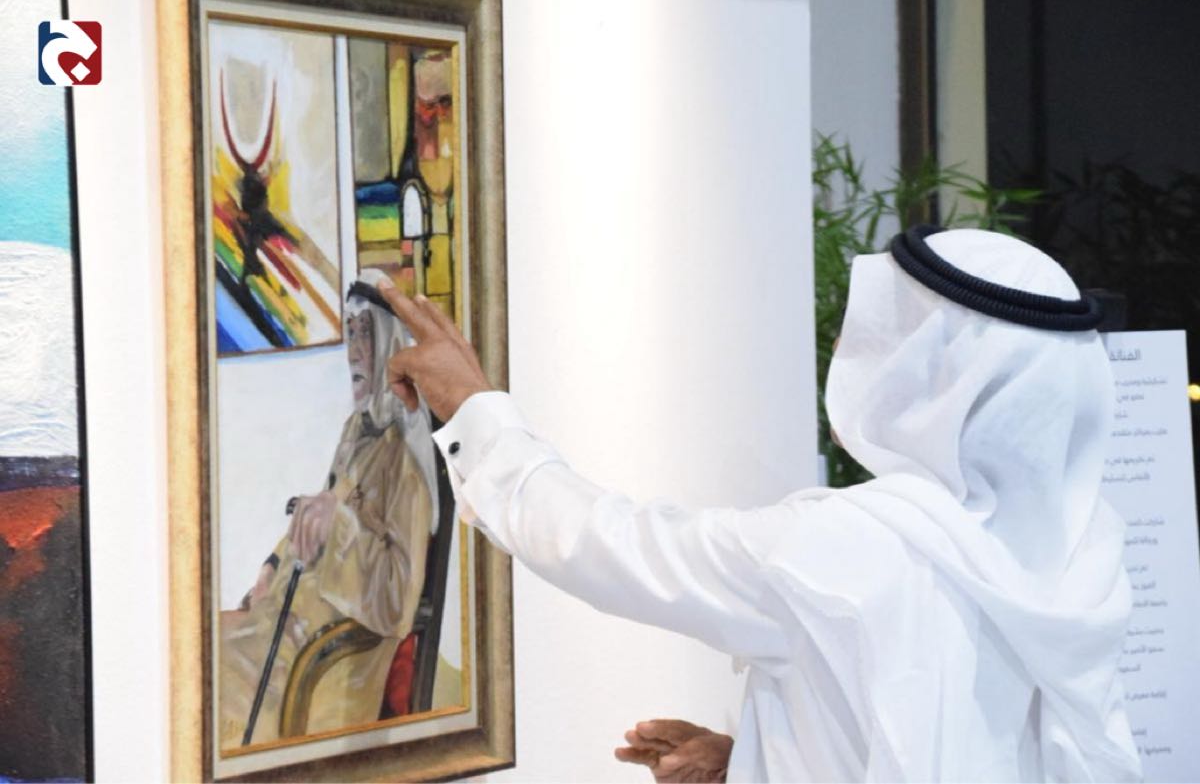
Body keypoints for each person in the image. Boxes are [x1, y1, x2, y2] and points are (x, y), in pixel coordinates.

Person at [376, 226, 1142, 782]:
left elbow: (606, 543)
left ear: (935, 375)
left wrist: (473, 407)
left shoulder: (854, 547)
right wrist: (763, 756)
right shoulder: (1083, 558)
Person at [219, 271, 439, 747]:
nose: (354, 351)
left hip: (328, 658)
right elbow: (322, 509)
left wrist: (338, 525)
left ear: (391, 343)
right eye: (350, 333)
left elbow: (398, 600)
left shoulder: (407, 457)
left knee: (207, 679)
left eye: (366, 334)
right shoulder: (356, 432)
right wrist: (272, 563)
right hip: (286, 623)